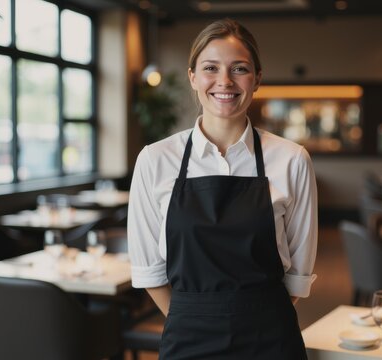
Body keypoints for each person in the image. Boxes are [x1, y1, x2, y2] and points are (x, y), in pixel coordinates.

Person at [128, 18, 318, 359]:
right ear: (193, 77)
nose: (224, 82)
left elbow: (299, 274)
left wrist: (254, 316)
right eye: (211, 68)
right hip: (188, 340)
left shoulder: (292, 160)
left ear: (257, 79)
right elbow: (149, 270)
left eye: (239, 68)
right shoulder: (155, 160)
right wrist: (195, 317)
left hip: (270, 339)